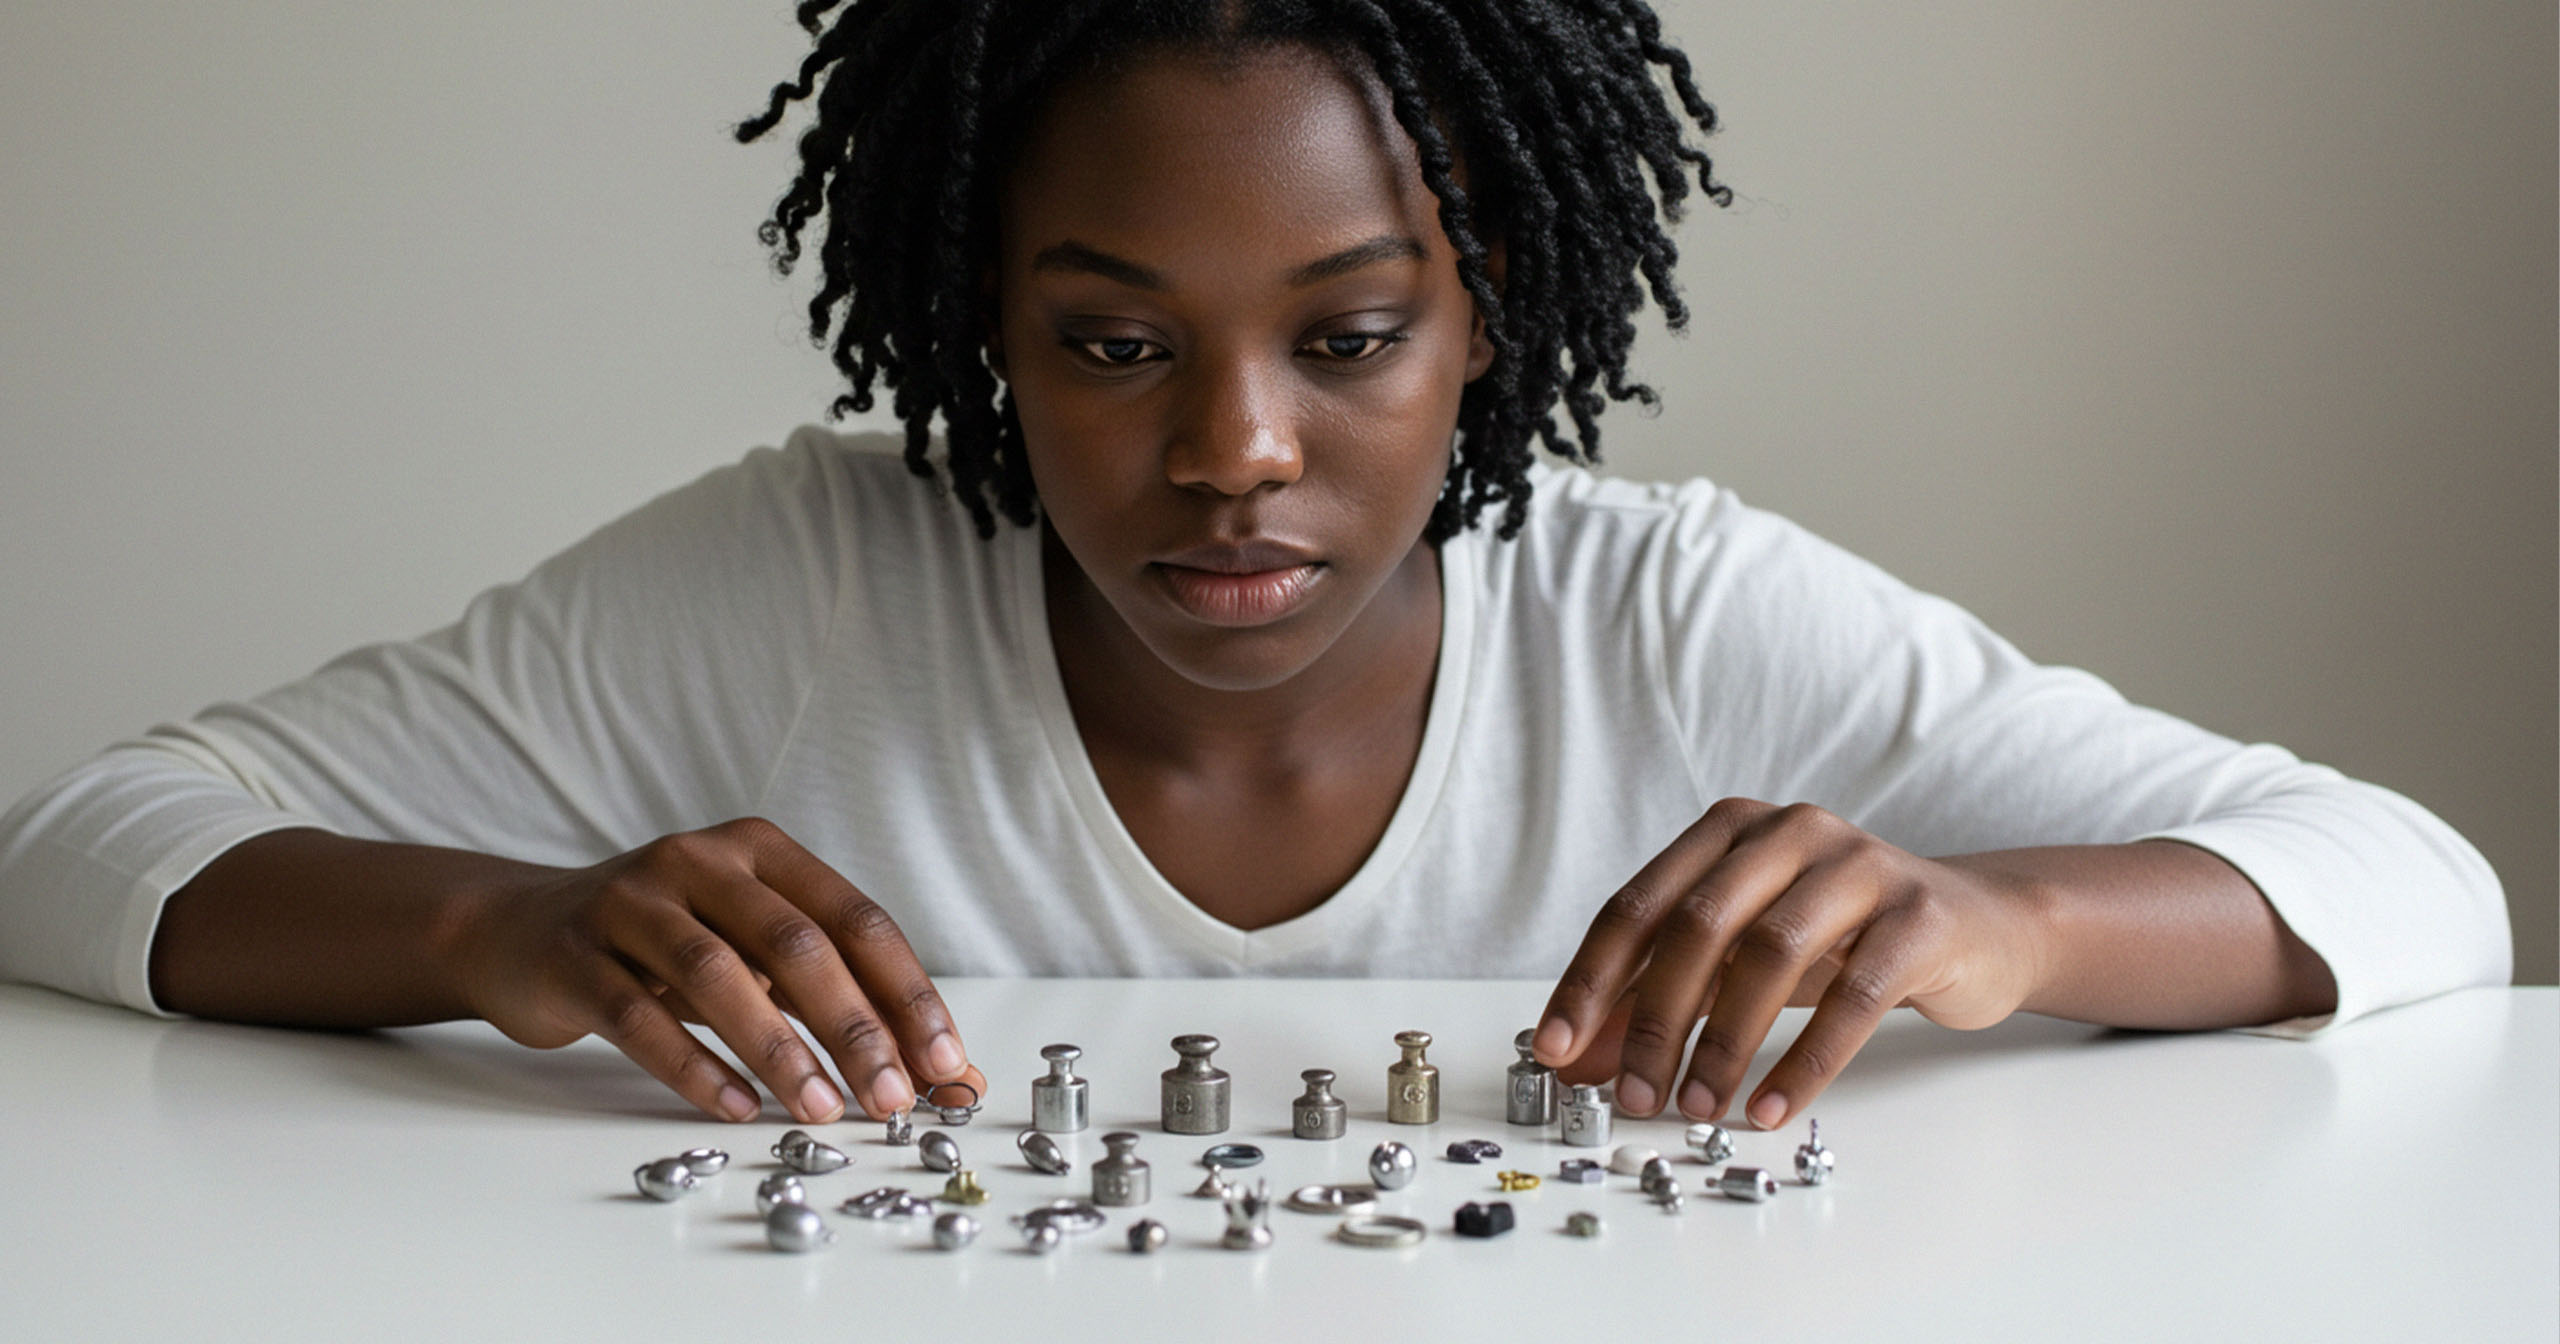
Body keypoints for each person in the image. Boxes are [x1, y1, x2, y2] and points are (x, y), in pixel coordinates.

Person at [0, 0, 2509, 1135]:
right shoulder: (805, 582)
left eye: (1347, 335)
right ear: (974, 328)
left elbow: (2415, 884)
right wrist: (494, 933)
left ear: (1483, 321)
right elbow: (81, 840)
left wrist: (2005, 924)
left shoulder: (1662, 610)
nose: (1230, 453)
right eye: (1107, 343)